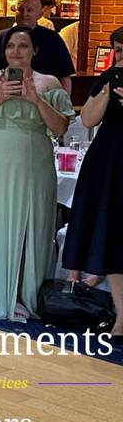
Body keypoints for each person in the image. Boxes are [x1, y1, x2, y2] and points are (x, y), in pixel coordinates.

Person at [0, 26, 73, 322]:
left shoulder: (48, 84)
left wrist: (36, 100)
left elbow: (60, 129)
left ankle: (23, 295)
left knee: (29, 227)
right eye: (11, 46)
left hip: (34, 160)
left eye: (23, 46)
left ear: (34, 50)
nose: (16, 52)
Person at [62, 26, 123, 345]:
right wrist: (107, 92)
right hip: (110, 160)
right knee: (112, 233)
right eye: (119, 51)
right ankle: (122, 316)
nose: (122, 57)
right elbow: (87, 120)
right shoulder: (110, 78)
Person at [0, 0, 74, 92]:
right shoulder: (1, 37)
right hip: (7, 98)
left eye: (29, 10)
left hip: (43, 99)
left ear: (39, 15)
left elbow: (65, 76)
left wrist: (65, 104)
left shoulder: (53, 39)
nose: (24, 14)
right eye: (20, 9)